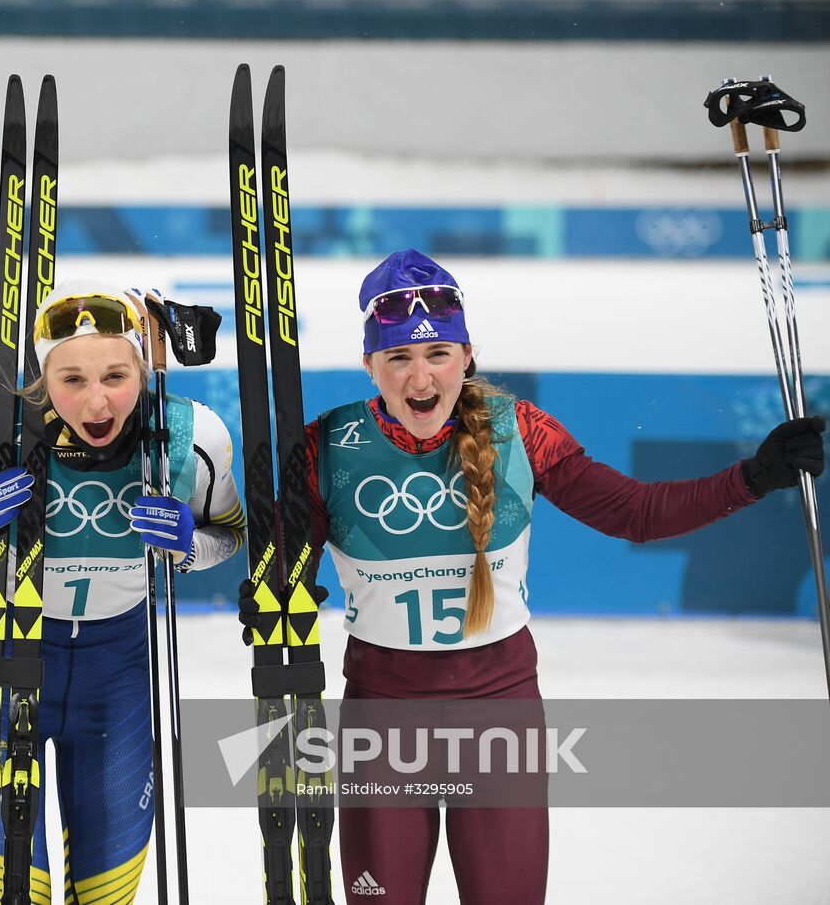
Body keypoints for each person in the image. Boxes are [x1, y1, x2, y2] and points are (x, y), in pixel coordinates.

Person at [237, 249, 825, 905]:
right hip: (384, 717)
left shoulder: (522, 433)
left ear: (466, 356)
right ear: (370, 365)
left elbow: (635, 513)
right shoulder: (326, 446)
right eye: (398, 357)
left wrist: (755, 476)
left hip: (499, 713)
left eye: (437, 355)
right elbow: (286, 570)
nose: (420, 377)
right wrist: (273, 577)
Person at [0, 279, 246, 900]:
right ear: (43, 377)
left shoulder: (190, 436)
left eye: (116, 376)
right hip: (3, 658)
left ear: (143, 370)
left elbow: (228, 534)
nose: (97, 402)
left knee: (106, 893)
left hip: (119, 673)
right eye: (72, 380)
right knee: (15, 892)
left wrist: (188, 545)